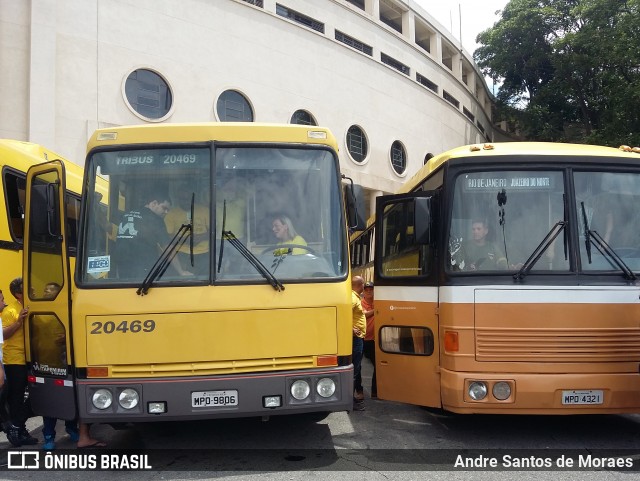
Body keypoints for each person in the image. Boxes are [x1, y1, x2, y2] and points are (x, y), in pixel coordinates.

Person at [115, 187, 192, 279]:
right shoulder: (155, 219)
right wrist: (181, 271)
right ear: (154, 203)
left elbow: (142, 240)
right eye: (164, 208)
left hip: (122, 265)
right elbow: (168, 248)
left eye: (168, 210)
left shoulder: (127, 214)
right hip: (142, 267)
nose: (166, 212)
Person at [1, 277, 37, 446]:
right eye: (27, 289)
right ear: (18, 294)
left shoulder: (32, 306)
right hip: (14, 360)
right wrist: (18, 322)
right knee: (16, 398)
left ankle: (18, 426)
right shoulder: (10, 311)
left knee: (36, 395)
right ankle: (18, 430)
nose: (32, 291)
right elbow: (4, 335)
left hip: (32, 358)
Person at [165, 181, 210, 276]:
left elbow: (214, 231)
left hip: (205, 253)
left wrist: (200, 238)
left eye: (188, 199)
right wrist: (187, 241)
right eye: (182, 199)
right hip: (182, 254)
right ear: (177, 199)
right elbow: (167, 238)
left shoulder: (205, 211)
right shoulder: (171, 215)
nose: (185, 201)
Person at [350, 276, 366, 411]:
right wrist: (350, 328)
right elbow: (341, 313)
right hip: (355, 339)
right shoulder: (353, 298)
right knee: (355, 370)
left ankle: (351, 398)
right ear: (361, 285)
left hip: (357, 338)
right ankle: (350, 400)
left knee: (356, 368)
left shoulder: (354, 297)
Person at [360, 281, 376, 399]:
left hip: (375, 340)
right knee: (357, 366)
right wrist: (377, 310)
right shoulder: (361, 303)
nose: (369, 291)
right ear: (363, 291)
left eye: (371, 289)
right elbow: (364, 315)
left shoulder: (377, 302)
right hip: (363, 338)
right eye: (367, 289)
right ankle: (358, 390)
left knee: (378, 366)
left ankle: (375, 391)